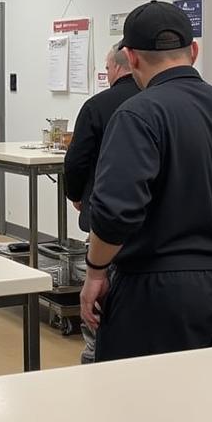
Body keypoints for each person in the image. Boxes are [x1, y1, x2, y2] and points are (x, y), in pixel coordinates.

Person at [81, 0, 212, 362]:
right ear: (193, 51)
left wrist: (96, 271)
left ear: (130, 58)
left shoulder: (137, 115)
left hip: (156, 296)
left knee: (150, 409)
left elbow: (115, 213)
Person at [62, 45, 139, 363]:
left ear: (121, 65)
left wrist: (77, 195)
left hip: (105, 218)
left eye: (107, 68)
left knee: (99, 293)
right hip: (155, 231)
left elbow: (76, 161)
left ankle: (95, 360)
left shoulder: (98, 105)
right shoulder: (177, 104)